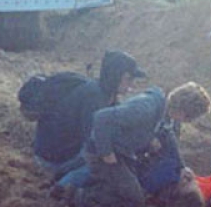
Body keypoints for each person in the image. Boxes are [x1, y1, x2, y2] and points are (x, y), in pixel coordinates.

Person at [76, 81, 211, 207]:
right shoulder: (145, 108)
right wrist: (106, 153)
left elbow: (168, 137)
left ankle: (106, 185)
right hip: (102, 154)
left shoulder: (166, 114)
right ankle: (76, 195)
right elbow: (101, 118)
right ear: (184, 111)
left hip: (126, 155)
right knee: (135, 202)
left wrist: (182, 167)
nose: (186, 121)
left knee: (137, 189)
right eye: (189, 117)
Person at [20, 51, 146, 186]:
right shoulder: (94, 99)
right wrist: (60, 173)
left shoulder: (105, 93)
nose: (131, 84)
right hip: (53, 159)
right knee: (103, 166)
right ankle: (62, 186)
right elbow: (91, 148)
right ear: (116, 76)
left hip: (57, 152)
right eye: (128, 78)